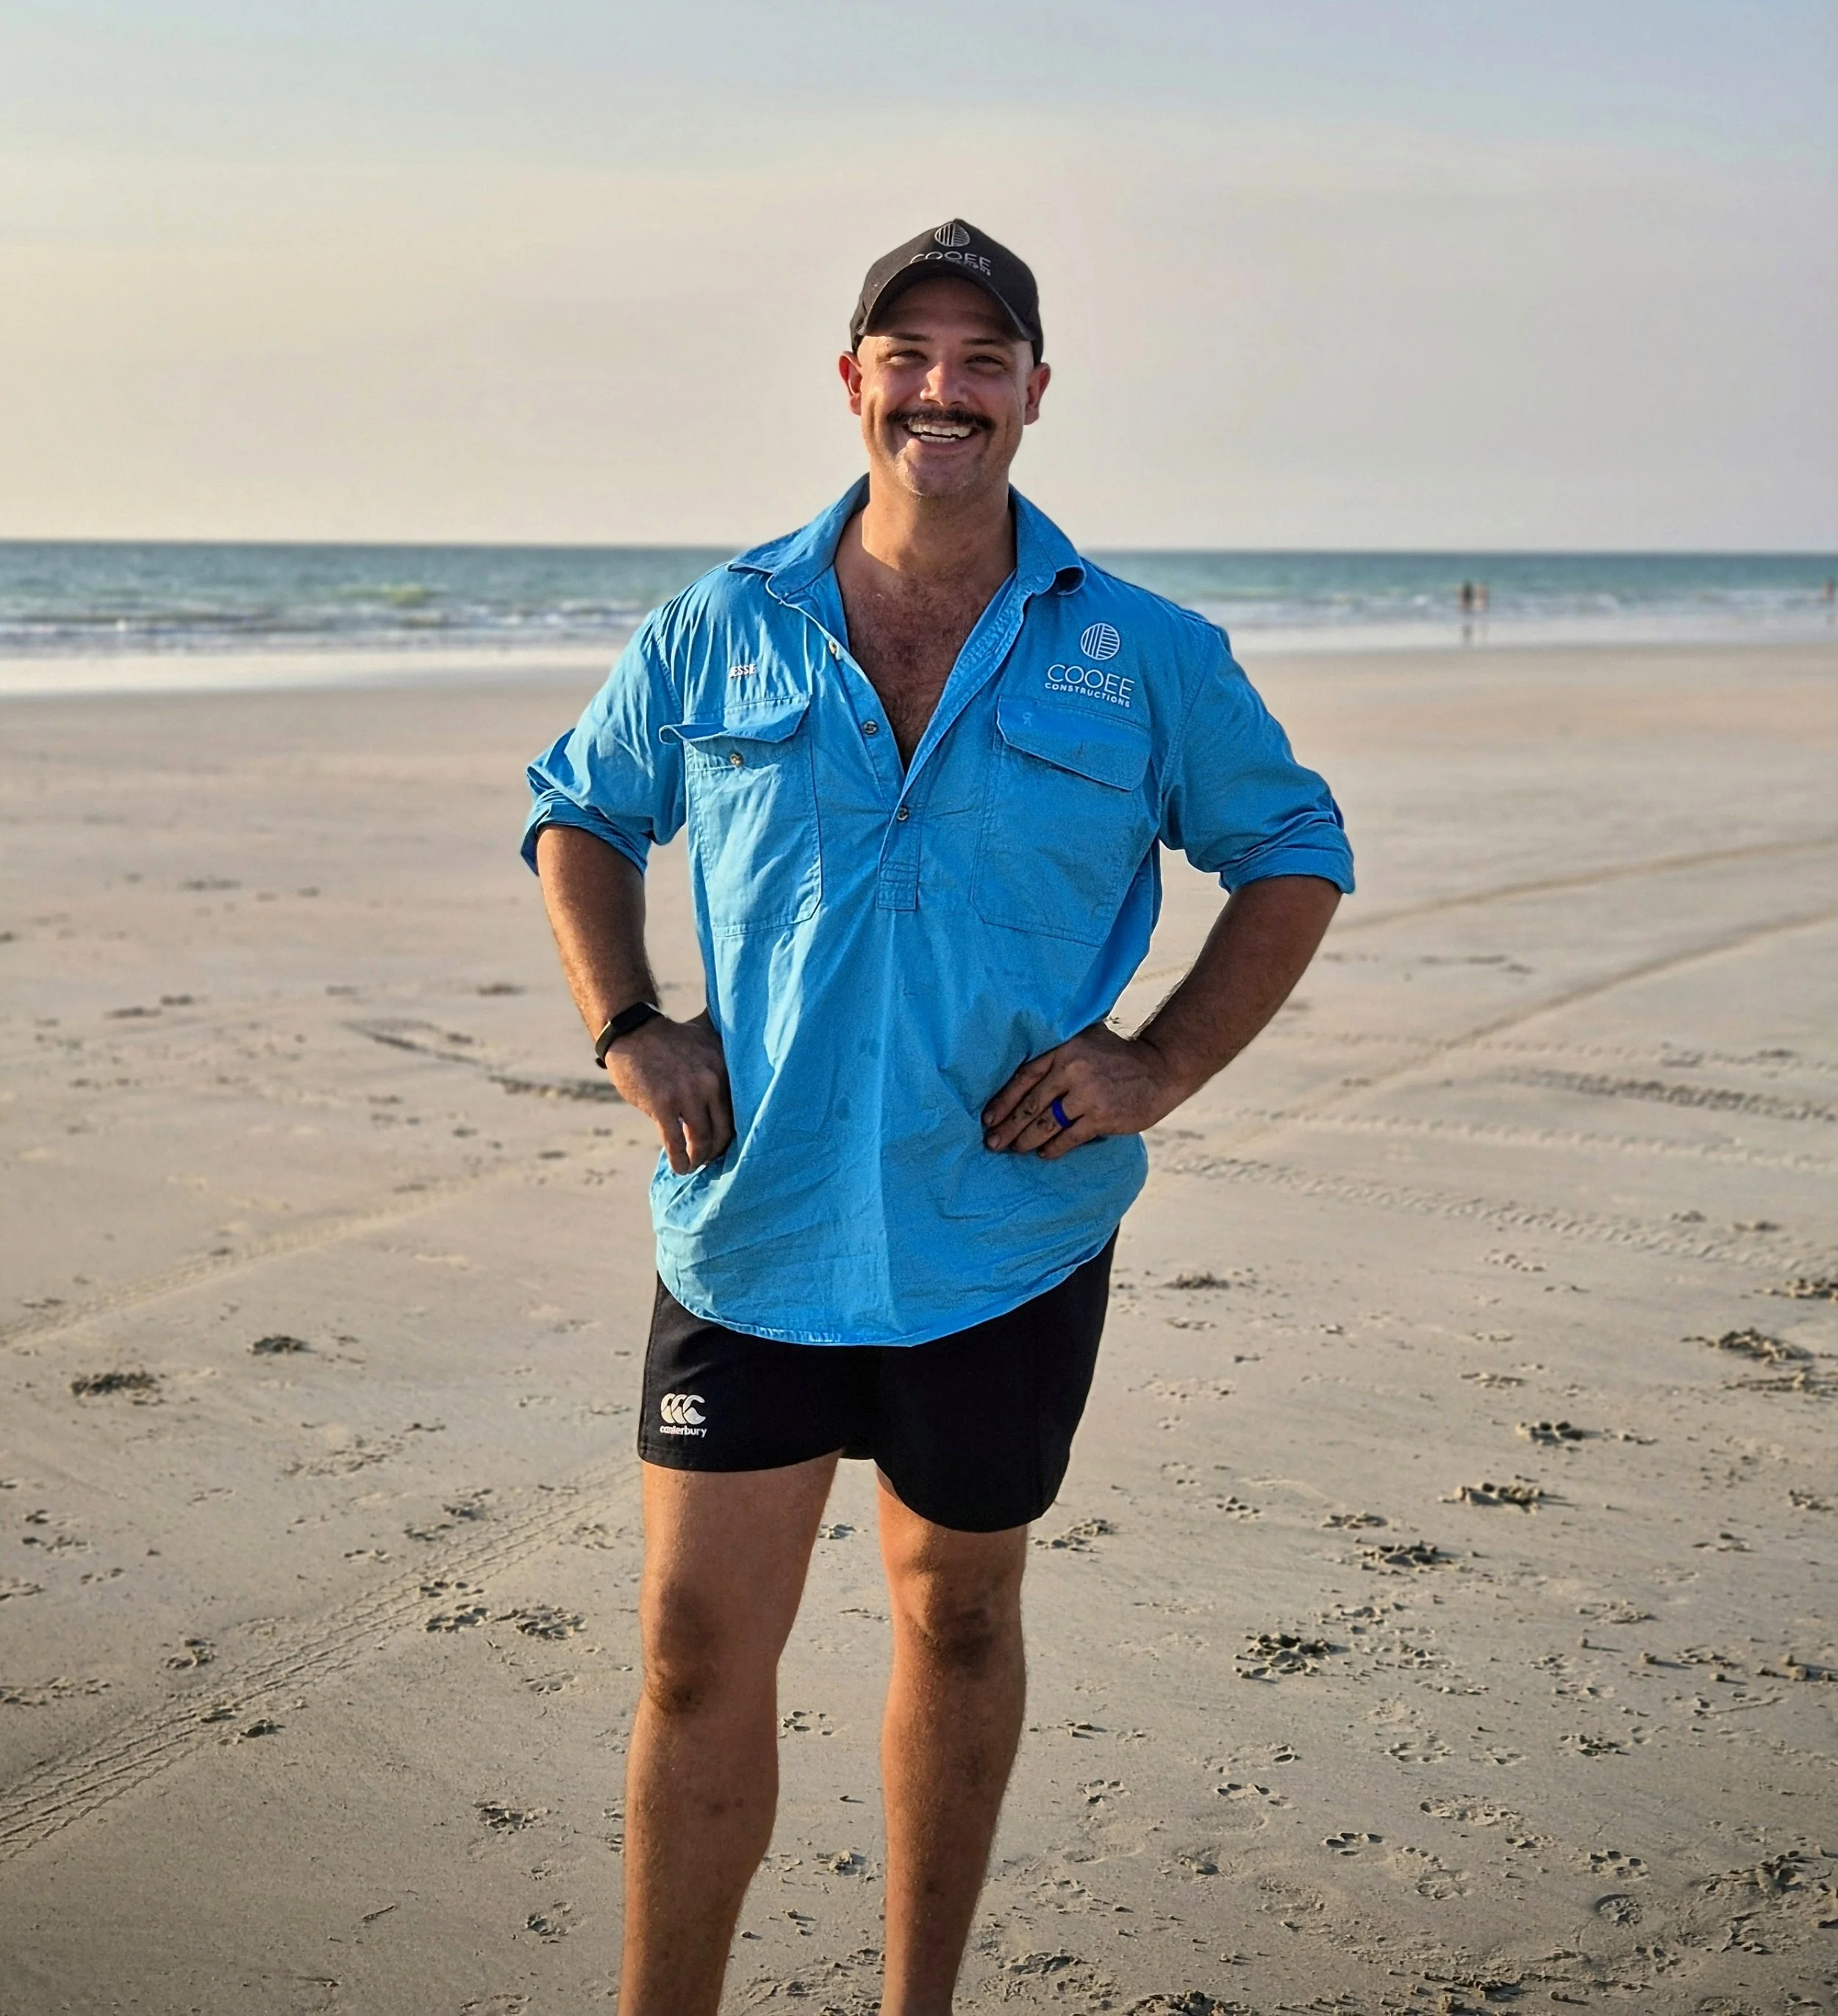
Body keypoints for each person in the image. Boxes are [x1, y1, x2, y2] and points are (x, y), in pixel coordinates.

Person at [522, 218, 1354, 2016]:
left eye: (983, 359)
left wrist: (1161, 1062)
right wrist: (626, 1023)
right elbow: (579, 810)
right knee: (687, 1658)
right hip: (752, 1224)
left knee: (957, 1614)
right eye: (908, 353)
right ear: (852, 380)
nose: (942, 389)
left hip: (1002, 1232)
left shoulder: (1139, 652)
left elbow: (1291, 848)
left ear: (1035, 395)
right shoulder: (721, 622)